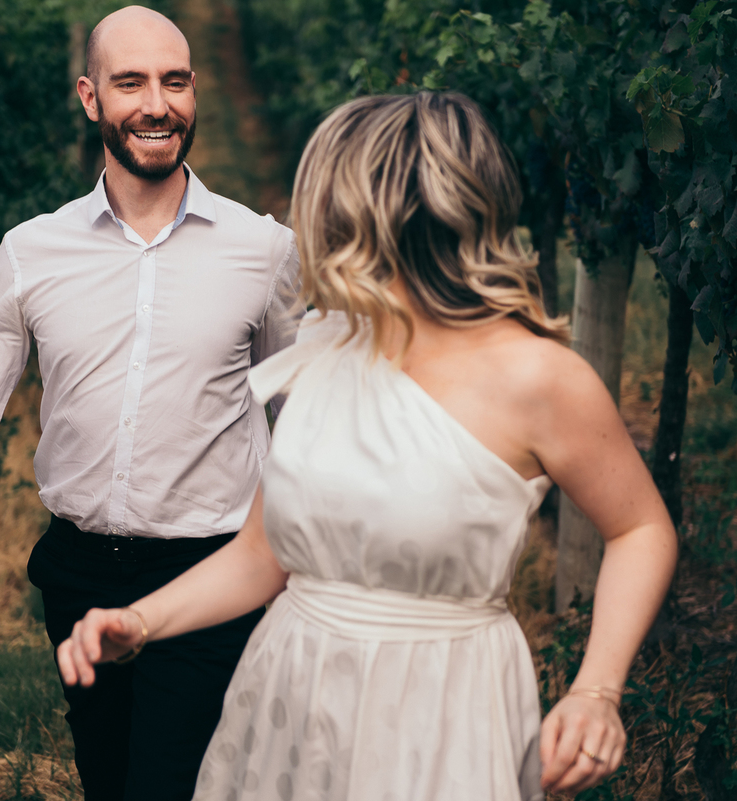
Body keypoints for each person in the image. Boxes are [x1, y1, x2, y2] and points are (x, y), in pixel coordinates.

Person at [56, 92, 677, 800]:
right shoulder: (324, 350)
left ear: (382, 213)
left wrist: (597, 689)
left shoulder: (539, 378)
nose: (307, 223)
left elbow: (640, 527)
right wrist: (139, 619)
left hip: (440, 712)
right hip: (290, 703)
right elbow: (264, 554)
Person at [0, 7, 301, 800]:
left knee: (170, 782)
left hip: (213, 571)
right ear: (89, 97)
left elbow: (300, 410)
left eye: (175, 82)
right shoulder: (33, 251)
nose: (157, 104)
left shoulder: (262, 250)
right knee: (109, 778)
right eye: (131, 82)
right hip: (77, 575)